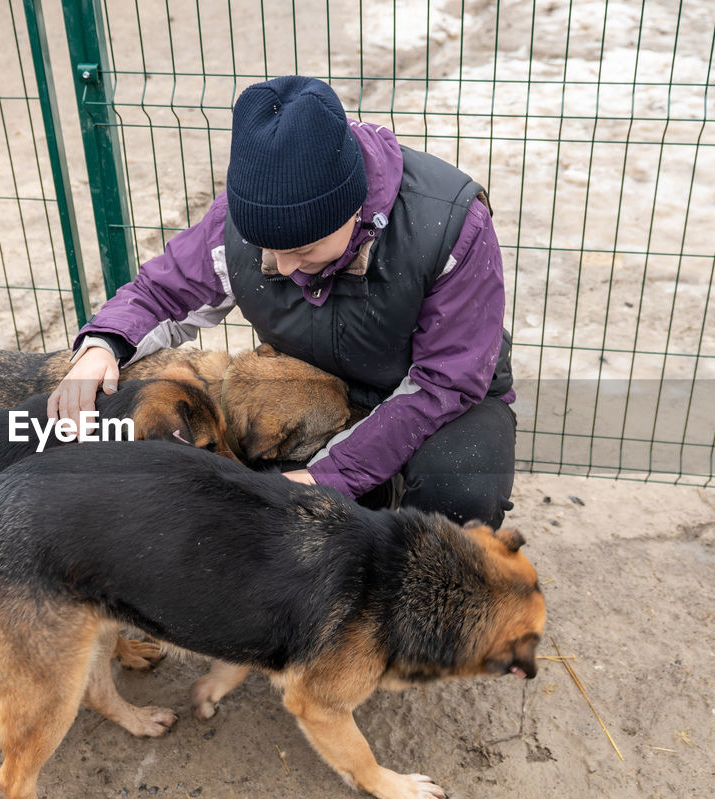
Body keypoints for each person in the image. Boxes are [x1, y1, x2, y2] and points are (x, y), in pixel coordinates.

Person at [48, 75, 516, 528]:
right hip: (320, 391)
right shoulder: (244, 218)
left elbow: (446, 382)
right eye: (267, 250)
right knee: (253, 505)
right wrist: (103, 345)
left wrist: (326, 478)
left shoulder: (453, 225)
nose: (283, 267)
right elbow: (160, 292)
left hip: (445, 396)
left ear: (353, 210)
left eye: (303, 251)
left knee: (459, 490)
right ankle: (370, 502)